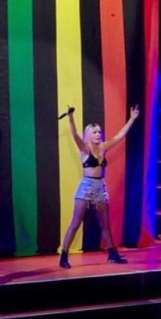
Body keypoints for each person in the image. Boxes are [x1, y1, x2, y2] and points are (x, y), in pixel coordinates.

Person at [59, 104, 140, 269]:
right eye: (94, 132)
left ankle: (112, 254)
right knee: (76, 222)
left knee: (105, 224)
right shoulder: (85, 148)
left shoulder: (103, 148)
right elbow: (74, 135)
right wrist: (71, 118)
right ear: (88, 134)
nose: (98, 134)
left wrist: (132, 119)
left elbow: (120, 135)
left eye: (99, 132)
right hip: (86, 186)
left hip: (100, 188)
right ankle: (64, 255)